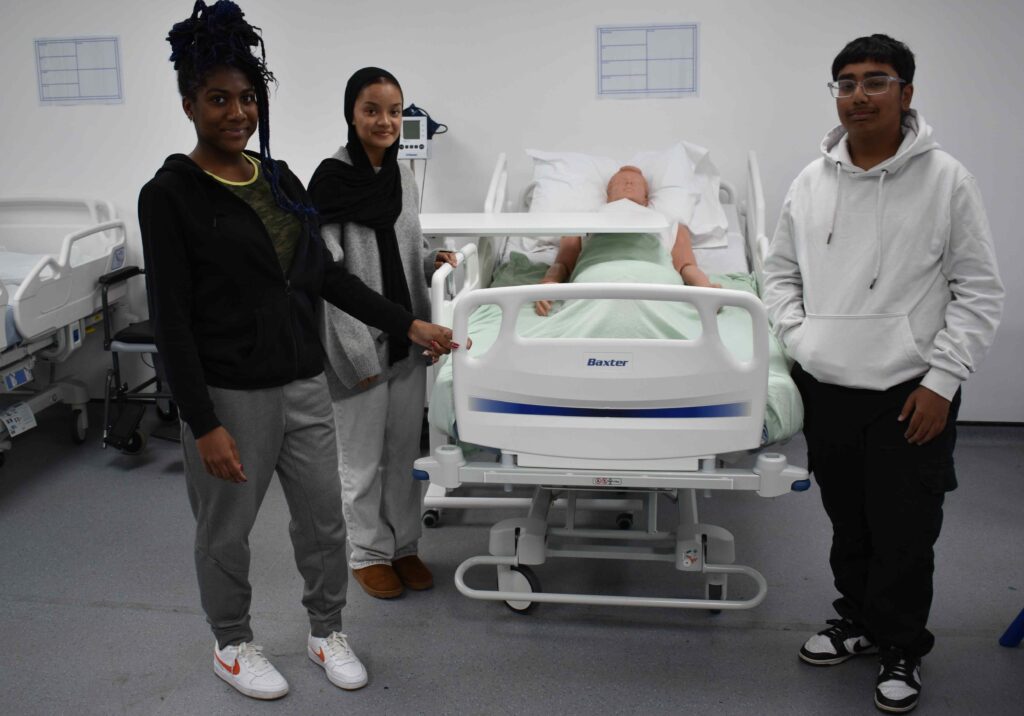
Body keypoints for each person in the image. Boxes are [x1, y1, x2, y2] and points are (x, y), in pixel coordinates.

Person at [138, 1, 454, 700]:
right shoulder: (170, 195)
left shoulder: (278, 179)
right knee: (226, 530)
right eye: (219, 99)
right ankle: (232, 643)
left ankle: (325, 630)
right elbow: (171, 320)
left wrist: (407, 325)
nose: (237, 112)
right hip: (229, 391)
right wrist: (201, 420)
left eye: (248, 98)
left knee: (323, 522)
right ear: (189, 104)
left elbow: (326, 276)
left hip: (304, 379)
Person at [762, 34, 1003, 713]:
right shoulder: (810, 183)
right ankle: (859, 622)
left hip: (911, 390)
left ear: (906, 92)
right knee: (849, 521)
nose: (858, 95)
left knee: (906, 528)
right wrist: (800, 339)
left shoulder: (947, 180)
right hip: (827, 384)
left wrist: (942, 382)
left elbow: (979, 290)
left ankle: (901, 644)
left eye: (875, 81)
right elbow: (778, 273)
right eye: (846, 83)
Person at [308, 68, 456, 600]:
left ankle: (404, 546)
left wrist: (432, 259)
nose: (385, 121)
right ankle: (368, 552)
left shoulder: (401, 177)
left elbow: (404, 248)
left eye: (394, 111)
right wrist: (358, 349)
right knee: (363, 461)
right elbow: (328, 277)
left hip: (406, 342)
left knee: (404, 456)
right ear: (352, 114)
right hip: (359, 343)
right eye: (372, 110)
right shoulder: (330, 182)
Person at [534, 165, 717, 316]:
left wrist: (705, 287)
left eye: (636, 183)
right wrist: (549, 282)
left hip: (657, 282)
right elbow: (563, 264)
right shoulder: (582, 221)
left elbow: (687, 267)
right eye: (620, 182)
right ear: (608, 194)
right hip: (595, 281)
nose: (628, 183)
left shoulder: (670, 224)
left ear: (646, 198)